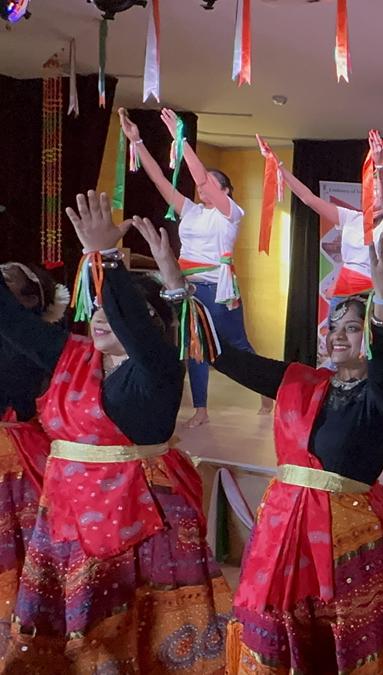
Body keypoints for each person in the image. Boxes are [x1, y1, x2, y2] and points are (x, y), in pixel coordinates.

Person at [200, 198, 383, 674]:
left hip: (349, 544)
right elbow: (230, 359)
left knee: (344, 643)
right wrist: (178, 295)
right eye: (333, 326)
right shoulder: (301, 383)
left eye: (352, 328)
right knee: (277, 633)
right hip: (282, 535)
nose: (338, 335)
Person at [0, 191, 230, 672]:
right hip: (67, 517)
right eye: (98, 310)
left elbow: (133, 324)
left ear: (152, 323)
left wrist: (105, 257)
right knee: (71, 639)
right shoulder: (72, 357)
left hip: (141, 520)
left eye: (116, 310)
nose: (102, 317)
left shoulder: (159, 368)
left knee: (132, 638)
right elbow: (11, 320)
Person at [119, 107, 271, 428]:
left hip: (218, 289)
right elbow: (159, 180)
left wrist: (180, 138)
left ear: (225, 191)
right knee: (195, 347)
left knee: (237, 344)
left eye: (211, 184)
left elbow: (200, 176)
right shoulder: (191, 211)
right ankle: (201, 409)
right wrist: (137, 142)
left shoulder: (231, 213)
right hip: (189, 288)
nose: (202, 188)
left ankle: (266, 389)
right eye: (202, 186)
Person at [263, 131, 383, 421]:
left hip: (374, 292)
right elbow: (308, 198)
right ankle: (335, 401)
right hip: (344, 289)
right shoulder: (350, 219)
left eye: (379, 192)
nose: (375, 196)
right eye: (371, 191)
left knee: (380, 350)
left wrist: (379, 164)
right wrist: (279, 166)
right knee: (337, 347)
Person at [0, 261, 63, 635]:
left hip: (21, 451)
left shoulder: (39, 343)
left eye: (9, 279)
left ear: (30, 299)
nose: (4, 272)